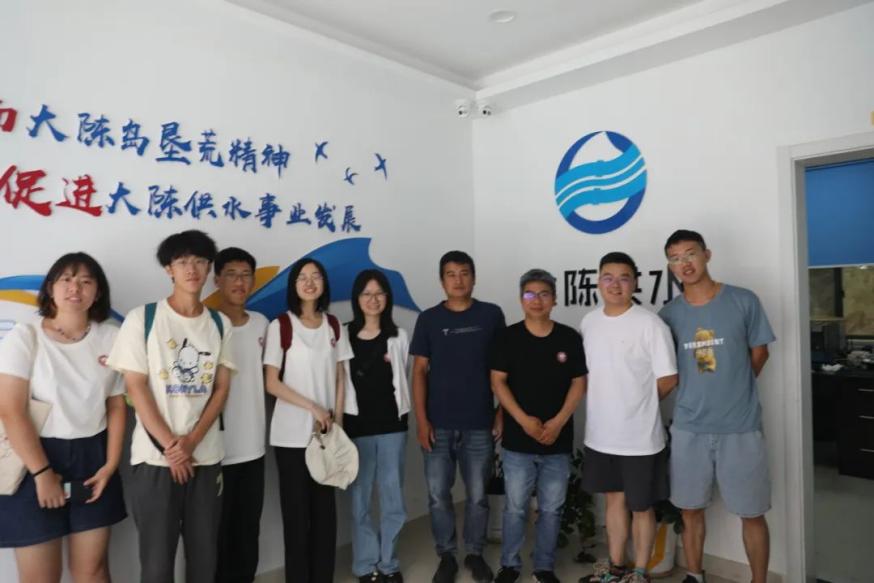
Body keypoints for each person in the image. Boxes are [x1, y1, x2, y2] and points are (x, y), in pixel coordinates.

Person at [108, 230, 235, 583]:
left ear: (209, 268)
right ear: (169, 269)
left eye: (199, 261)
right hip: (154, 460)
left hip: (205, 457)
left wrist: (191, 443)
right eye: (182, 262)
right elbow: (135, 387)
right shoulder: (143, 318)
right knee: (157, 563)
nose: (191, 269)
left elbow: (221, 388)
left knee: (204, 559)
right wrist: (172, 448)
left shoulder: (219, 323)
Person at [0, 252, 127, 583]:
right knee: (41, 576)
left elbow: (116, 405)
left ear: (97, 292)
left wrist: (110, 464)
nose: (75, 288)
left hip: (93, 458)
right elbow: (11, 409)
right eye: (67, 279)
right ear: (50, 288)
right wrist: (42, 474)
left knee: (92, 570)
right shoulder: (25, 336)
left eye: (86, 281)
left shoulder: (111, 338)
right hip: (34, 458)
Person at [658, 230, 775, 583]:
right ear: (670, 266)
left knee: (752, 513)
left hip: (740, 427)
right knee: (690, 511)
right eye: (675, 258)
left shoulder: (743, 300)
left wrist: (734, 388)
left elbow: (760, 352)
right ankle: (695, 574)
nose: (684, 263)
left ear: (706, 255)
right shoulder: (669, 315)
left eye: (690, 254)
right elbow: (666, 370)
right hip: (689, 428)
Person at [579, 252, 678, 583]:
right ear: (598, 281)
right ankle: (616, 567)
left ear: (635, 283)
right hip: (601, 435)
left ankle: (639, 572)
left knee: (641, 506)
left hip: (639, 438)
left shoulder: (650, 324)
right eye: (608, 277)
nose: (615, 284)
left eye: (624, 278)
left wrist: (638, 404)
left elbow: (668, 378)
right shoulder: (589, 322)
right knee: (613, 501)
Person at [410, 250, 506, 583]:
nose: (458, 280)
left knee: (478, 496)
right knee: (438, 496)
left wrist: (501, 413)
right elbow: (419, 371)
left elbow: (505, 368)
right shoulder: (429, 319)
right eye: (451, 274)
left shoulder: (491, 315)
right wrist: (422, 421)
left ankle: (475, 554)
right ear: (442, 281)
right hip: (437, 425)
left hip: (479, 423)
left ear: (474, 278)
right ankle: (447, 555)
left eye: (464, 273)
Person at [490, 269, 587, 583]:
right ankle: (510, 565)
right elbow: (498, 381)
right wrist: (523, 421)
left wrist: (557, 422)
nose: (537, 300)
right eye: (530, 294)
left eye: (544, 294)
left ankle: (544, 568)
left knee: (551, 509)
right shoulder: (507, 337)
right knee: (515, 508)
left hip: (557, 441)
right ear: (521, 299)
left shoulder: (568, 338)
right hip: (518, 442)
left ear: (554, 299)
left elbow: (579, 383)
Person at [263, 257, 353, 583]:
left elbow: (340, 376)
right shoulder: (281, 326)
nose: (310, 282)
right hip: (291, 438)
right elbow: (271, 383)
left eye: (316, 276)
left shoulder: (334, 325)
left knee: (325, 514)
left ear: (324, 283)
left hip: (325, 436)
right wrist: (314, 408)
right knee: (297, 516)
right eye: (303, 277)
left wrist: (337, 421)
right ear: (294, 285)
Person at [342, 269, 411, 583]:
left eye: (379, 293)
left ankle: (389, 563)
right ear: (357, 298)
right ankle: (365, 565)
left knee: (392, 497)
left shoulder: (399, 335)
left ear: (387, 298)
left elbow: (402, 378)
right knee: (360, 500)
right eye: (366, 293)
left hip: (392, 426)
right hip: (357, 427)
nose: (373, 299)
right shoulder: (343, 335)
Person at [213, 247, 269, 583]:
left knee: (248, 530)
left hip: (254, 446)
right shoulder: (207, 324)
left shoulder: (262, 324)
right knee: (216, 534)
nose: (239, 282)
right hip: (215, 450)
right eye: (231, 274)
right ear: (217, 280)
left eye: (246, 275)